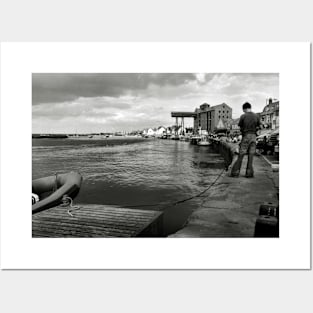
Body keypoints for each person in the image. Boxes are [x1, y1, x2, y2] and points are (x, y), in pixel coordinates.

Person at [230, 102, 260, 178]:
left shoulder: (243, 116)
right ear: (250, 107)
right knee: (251, 155)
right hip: (253, 136)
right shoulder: (256, 116)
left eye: (243, 110)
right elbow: (259, 127)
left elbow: (241, 127)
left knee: (241, 155)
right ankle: (249, 173)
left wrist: (243, 134)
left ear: (244, 109)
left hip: (246, 136)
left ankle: (235, 172)